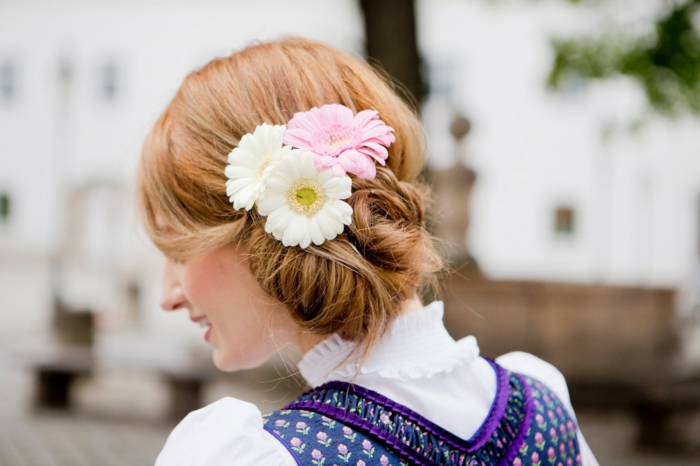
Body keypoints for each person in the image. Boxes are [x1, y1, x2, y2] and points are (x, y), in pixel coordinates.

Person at [137, 37, 599, 465]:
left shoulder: (242, 457)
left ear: (265, 220)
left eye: (177, 249)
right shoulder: (544, 408)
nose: (168, 295)